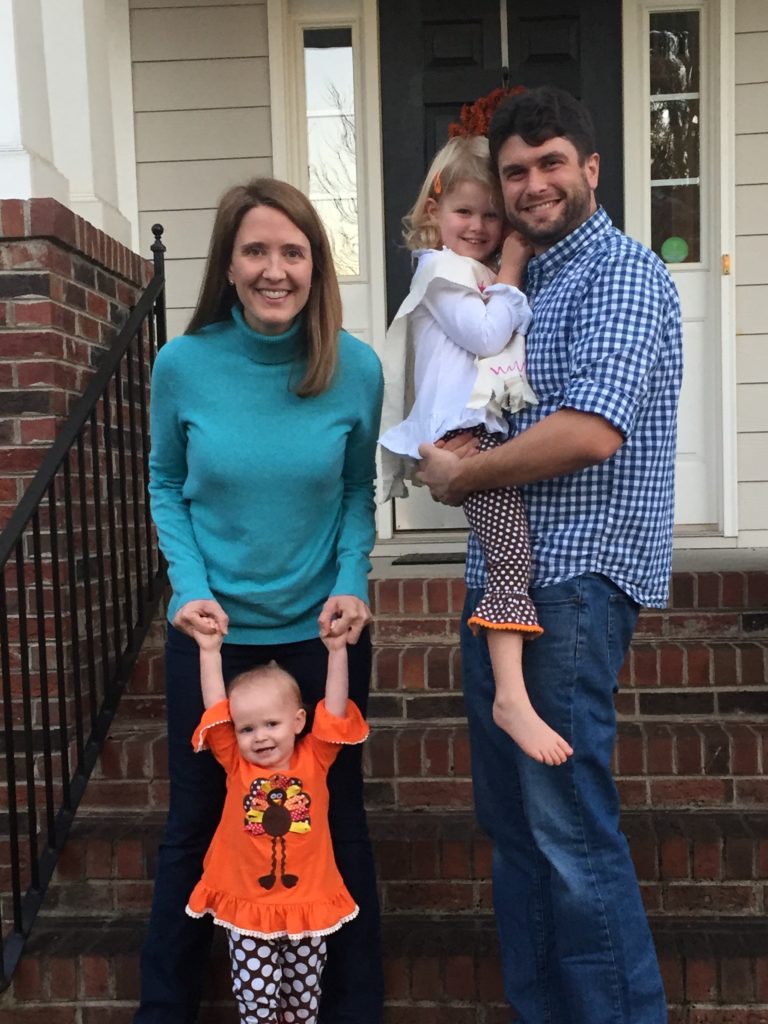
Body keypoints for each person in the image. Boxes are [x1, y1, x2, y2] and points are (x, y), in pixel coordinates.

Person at [416, 86, 683, 1024]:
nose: (533, 184)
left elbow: (590, 432)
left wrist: (463, 478)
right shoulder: (515, 283)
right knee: (519, 836)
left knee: (569, 834)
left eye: (551, 163)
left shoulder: (622, 273)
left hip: (573, 583)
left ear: (591, 168)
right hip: (503, 584)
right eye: (515, 170)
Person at [136, 178, 384, 1024]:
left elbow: (356, 490)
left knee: (335, 822)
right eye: (255, 251)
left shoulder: (354, 367)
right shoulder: (183, 365)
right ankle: (164, 1009)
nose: (274, 270)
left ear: (316, 265)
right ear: (229, 264)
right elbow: (165, 481)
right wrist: (189, 587)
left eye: (292, 252)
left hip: (321, 633)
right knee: (196, 820)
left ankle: (354, 1010)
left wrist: (351, 579)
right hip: (215, 634)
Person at [378, 135, 572, 766]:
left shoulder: (469, 274)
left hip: (477, 432)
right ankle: (511, 697)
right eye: (464, 211)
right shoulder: (440, 271)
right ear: (433, 211)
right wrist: (512, 267)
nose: (480, 226)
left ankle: (511, 689)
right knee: (511, 557)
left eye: (493, 215)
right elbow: (487, 334)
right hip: (463, 434)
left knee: (505, 550)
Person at [187, 622, 368, 1024]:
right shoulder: (236, 763)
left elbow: (335, 710)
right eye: (247, 728)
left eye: (272, 724)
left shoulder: (315, 757)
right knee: (256, 1002)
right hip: (249, 906)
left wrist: (337, 652)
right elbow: (216, 710)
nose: (260, 737)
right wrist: (209, 652)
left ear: (299, 721)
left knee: (303, 1003)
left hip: (308, 904)